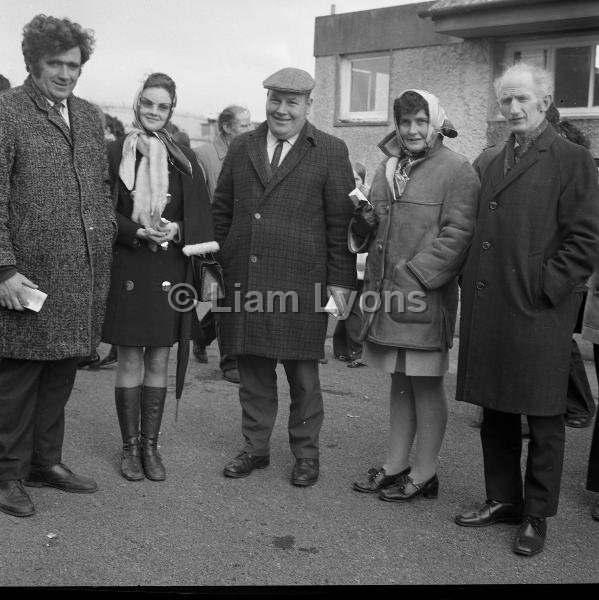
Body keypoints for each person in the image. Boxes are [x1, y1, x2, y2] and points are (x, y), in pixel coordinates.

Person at [455, 62, 599, 557]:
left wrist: (545, 287)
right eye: (505, 101)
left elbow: (585, 240)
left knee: (543, 418)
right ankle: (503, 500)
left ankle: (536, 514)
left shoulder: (572, 158)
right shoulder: (490, 158)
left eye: (521, 99)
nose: (512, 109)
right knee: (494, 409)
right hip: (490, 303)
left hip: (539, 309)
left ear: (544, 100)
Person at [212, 67, 356, 486]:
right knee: (253, 372)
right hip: (248, 278)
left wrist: (341, 285)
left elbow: (340, 226)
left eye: (292, 102)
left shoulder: (330, 150)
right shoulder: (242, 146)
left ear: (308, 106)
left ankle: (306, 456)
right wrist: (218, 269)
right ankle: (255, 448)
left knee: (304, 378)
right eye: (275, 99)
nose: (281, 109)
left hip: (302, 284)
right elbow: (222, 210)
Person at [0, 15, 115, 518]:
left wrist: (107, 231)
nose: (66, 74)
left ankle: (45, 462)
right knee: (18, 380)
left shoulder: (89, 117)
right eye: (55, 64)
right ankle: (6, 475)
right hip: (26, 276)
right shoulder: (6, 112)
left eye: (74, 65)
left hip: (82, 274)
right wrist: (2, 269)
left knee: (62, 372)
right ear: (33, 63)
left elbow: (100, 189)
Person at [350, 90, 478, 501]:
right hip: (387, 300)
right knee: (400, 382)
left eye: (421, 121)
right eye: (405, 122)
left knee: (425, 384)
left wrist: (417, 277)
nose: (412, 130)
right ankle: (395, 464)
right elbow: (375, 230)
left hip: (424, 298)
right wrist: (365, 221)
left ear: (436, 122)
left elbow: (458, 236)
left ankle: (424, 473)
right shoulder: (387, 167)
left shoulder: (458, 170)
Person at [101, 72, 216, 482]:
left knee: (160, 358)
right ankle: (130, 448)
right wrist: (134, 231)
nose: (154, 111)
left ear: (171, 109)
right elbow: (99, 209)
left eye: (162, 105)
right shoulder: (115, 152)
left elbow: (201, 216)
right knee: (130, 357)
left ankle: (151, 446)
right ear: (137, 104)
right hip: (130, 264)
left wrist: (178, 230)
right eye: (147, 103)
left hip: (169, 267)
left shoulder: (184, 158)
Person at [192, 105, 252, 384]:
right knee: (220, 298)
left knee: (226, 300)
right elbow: (196, 201)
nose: (250, 130)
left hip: (236, 240)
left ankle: (200, 336)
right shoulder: (203, 156)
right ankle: (230, 362)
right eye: (244, 125)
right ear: (227, 128)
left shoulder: (246, 153)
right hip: (210, 242)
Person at [546, 103, 596, 429]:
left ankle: (579, 405)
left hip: (566, 266)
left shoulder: (572, 159)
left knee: (561, 338)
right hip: (561, 264)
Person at [332, 161, 370, 368]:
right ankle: (344, 348)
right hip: (345, 261)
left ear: (363, 181)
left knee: (348, 306)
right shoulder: (341, 196)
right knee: (346, 305)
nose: (352, 182)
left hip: (359, 261)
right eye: (349, 178)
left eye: (356, 178)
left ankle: (356, 350)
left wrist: (361, 202)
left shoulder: (360, 199)